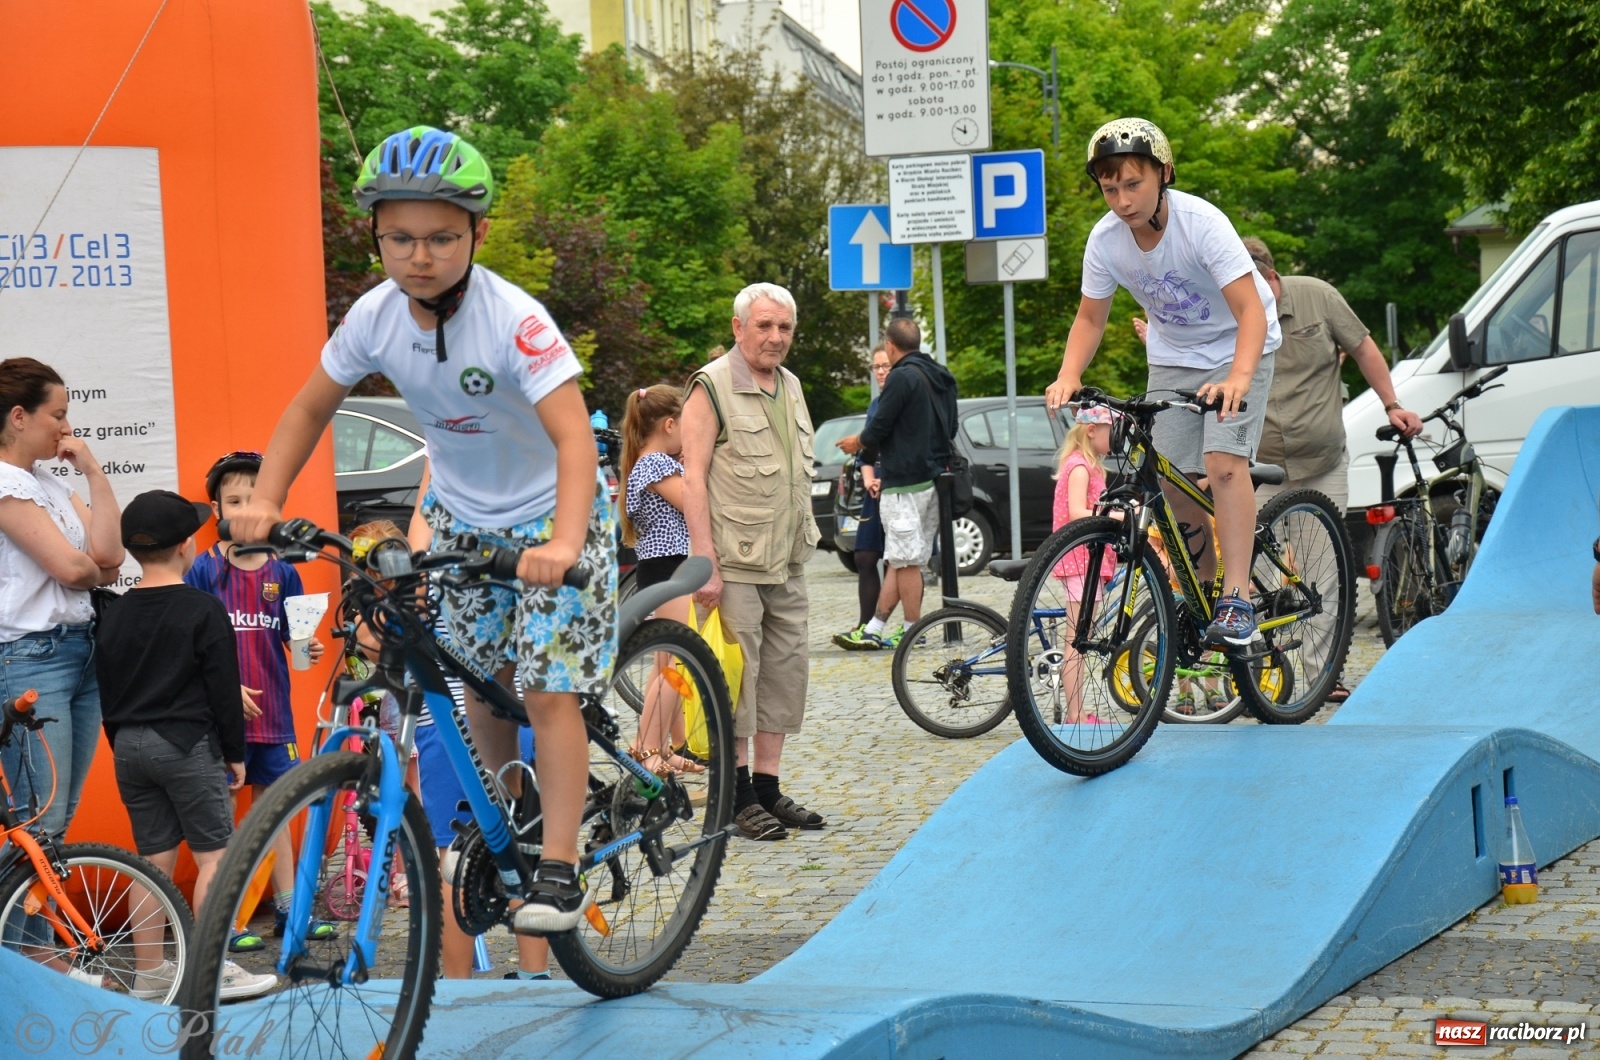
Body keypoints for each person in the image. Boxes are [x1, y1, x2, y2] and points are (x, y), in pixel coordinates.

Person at [228, 125, 617, 934]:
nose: (420, 256)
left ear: (475, 233)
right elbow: (309, 407)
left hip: (554, 511)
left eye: (442, 237)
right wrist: (265, 498)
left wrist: (566, 545)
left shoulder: (516, 321)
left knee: (546, 690)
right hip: (462, 516)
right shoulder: (374, 316)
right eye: (400, 237)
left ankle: (559, 864)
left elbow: (576, 439)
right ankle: (498, 820)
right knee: (477, 684)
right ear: (377, 234)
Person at [1045, 117, 1282, 652]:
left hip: (1241, 343)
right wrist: (1069, 374)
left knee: (1222, 464)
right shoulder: (1105, 242)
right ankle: (1200, 591)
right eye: (1110, 189)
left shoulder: (1202, 225)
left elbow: (1250, 311)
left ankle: (1238, 596)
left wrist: (1238, 379)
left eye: (1133, 184)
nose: (1122, 200)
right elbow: (1090, 319)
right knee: (1171, 481)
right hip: (1174, 355)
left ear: (1163, 174)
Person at [94, 489, 275, 1001]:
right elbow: (223, 688)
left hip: (130, 747)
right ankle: (211, 970)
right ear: (186, 546)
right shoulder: (202, 608)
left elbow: (108, 688)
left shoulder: (115, 612)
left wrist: (123, 742)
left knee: (151, 862)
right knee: (215, 856)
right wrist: (235, 754)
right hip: (188, 744)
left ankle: (150, 974)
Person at [681, 283, 824, 842]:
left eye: (784, 327)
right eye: (764, 326)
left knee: (785, 675)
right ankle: (735, 795)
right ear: (739, 328)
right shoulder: (710, 386)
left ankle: (767, 788)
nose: (775, 337)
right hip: (734, 562)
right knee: (736, 680)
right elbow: (693, 477)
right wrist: (705, 562)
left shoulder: (790, 385)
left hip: (787, 558)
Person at [188, 451, 333, 952]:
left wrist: (306, 646)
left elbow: (295, 642)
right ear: (216, 509)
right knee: (223, 822)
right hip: (223, 727)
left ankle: (292, 910)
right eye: (234, 500)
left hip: (275, 717)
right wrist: (224, 691)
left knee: (278, 812)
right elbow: (189, 649)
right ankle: (229, 917)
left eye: (255, 499)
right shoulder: (203, 573)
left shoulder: (284, 572)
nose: (246, 509)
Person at [0, 357, 123, 843]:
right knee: (39, 820)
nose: (67, 428)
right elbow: (74, 569)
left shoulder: (51, 482)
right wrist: (90, 570)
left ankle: (33, 920)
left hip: (81, 650)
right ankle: (18, 921)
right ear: (18, 417)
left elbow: (111, 555)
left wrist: (94, 472)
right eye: (58, 415)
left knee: (57, 818)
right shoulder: (6, 483)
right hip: (32, 657)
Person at [1242, 237, 1424, 511]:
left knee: (1323, 554)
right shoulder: (1232, 312)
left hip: (1323, 465)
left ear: (1272, 276)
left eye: (1256, 289)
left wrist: (1392, 405)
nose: (1250, 299)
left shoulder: (1319, 295)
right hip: (1260, 468)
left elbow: (1364, 350)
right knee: (1259, 554)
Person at [853, 318, 958, 646]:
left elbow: (876, 430)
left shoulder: (901, 377)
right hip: (932, 481)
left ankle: (913, 630)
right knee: (901, 558)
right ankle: (875, 627)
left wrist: (856, 442)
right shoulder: (939, 375)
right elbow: (951, 427)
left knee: (906, 561)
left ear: (891, 346)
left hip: (903, 483)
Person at [619, 384, 702, 775]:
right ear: (670, 424)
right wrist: (695, 464)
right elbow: (692, 502)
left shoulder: (649, 462)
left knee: (666, 662)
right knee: (674, 663)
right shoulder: (654, 465)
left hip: (664, 564)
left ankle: (658, 746)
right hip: (669, 564)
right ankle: (647, 748)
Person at [1050, 407, 1116, 723]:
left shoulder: (1090, 467)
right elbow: (1078, 511)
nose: (1113, 437)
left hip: (1086, 561)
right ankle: (1076, 714)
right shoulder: (1080, 467)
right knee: (1076, 641)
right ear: (1091, 431)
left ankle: (1078, 711)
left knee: (1079, 638)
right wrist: (1115, 517)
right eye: (1109, 430)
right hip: (1080, 561)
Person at [832, 346, 897, 650]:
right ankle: (865, 623)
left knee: (900, 560)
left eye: (885, 365)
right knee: (865, 556)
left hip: (899, 483)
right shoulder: (875, 405)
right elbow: (866, 449)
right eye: (876, 367)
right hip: (875, 488)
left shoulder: (903, 400)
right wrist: (869, 476)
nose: (881, 371)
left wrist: (888, 477)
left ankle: (912, 625)